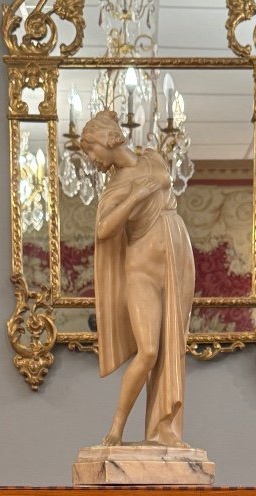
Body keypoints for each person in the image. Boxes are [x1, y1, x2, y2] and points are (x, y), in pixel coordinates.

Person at [79, 109, 195, 447]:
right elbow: (103, 230)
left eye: (91, 151)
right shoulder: (116, 187)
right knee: (147, 351)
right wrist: (134, 196)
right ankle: (116, 428)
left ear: (108, 140)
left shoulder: (152, 157)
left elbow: (164, 182)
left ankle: (165, 430)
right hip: (141, 269)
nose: (91, 160)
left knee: (173, 345)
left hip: (176, 258)